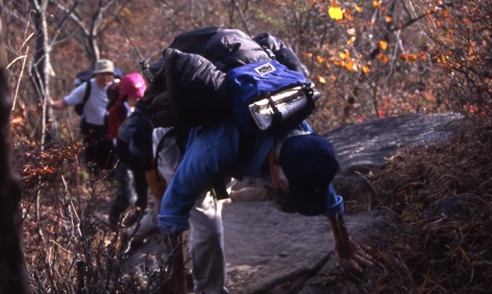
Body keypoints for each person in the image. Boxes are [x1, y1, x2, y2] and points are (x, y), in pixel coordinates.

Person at [156, 119, 373, 294]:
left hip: (228, 148)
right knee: (208, 222)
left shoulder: (302, 138)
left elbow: (321, 186)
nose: (287, 191)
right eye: (288, 186)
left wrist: (343, 241)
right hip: (176, 142)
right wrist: (175, 284)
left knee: (216, 196)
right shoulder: (217, 147)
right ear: (273, 161)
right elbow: (172, 207)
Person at [50, 59, 116, 173]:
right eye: (102, 74)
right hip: (91, 129)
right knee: (92, 160)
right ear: (96, 75)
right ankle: (93, 185)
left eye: (108, 74)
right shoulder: (87, 87)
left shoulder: (117, 87)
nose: (105, 77)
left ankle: (107, 184)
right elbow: (63, 103)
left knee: (109, 160)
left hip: (111, 129)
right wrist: (49, 102)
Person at [105, 72, 149, 228]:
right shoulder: (116, 111)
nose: (137, 101)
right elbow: (113, 136)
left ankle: (141, 213)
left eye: (139, 97)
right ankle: (114, 218)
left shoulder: (146, 107)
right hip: (123, 154)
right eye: (133, 98)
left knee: (144, 186)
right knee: (127, 190)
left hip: (142, 153)